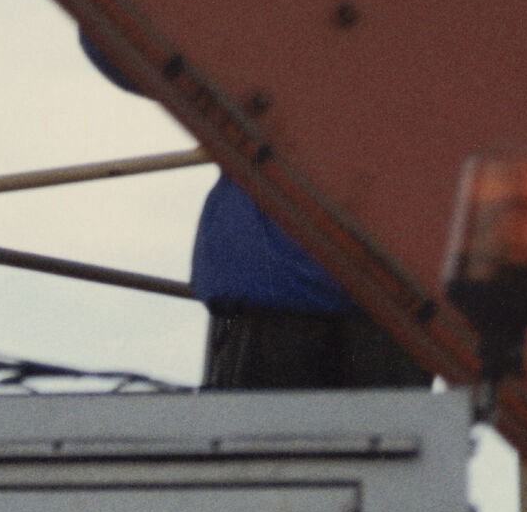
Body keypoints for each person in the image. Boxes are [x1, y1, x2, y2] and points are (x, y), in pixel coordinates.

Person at [80, 29, 430, 392]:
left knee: (251, 443)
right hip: (389, 291)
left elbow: (118, 39)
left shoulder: (267, 39)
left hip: (281, 285)